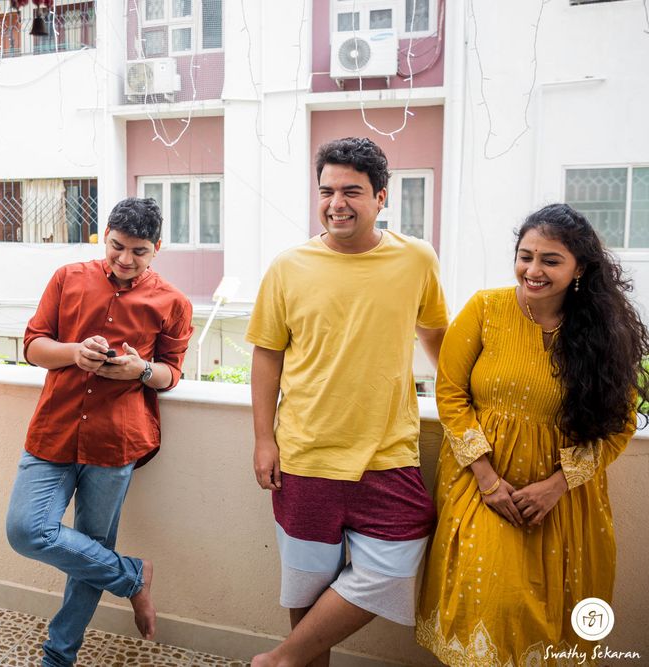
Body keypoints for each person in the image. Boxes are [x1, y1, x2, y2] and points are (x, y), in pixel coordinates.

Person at [416, 204, 648, 665]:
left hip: (562, 501)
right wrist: (486, 478)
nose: (533, 270)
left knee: (548, 627)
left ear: (579, 267)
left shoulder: (605, 333)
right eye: (526, 256)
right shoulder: (486, 308)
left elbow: (619, 425)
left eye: (550, 260)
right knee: (489, 606)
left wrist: (556, 486)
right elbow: (450, 392)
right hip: (481, 485)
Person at [248, 137, 449, 667]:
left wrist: (468, 391)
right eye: (327, 191)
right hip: (305, 452)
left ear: (381, 197)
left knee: (396, 561)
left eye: (352, 192)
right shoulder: (289, 266)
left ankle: (280, 661)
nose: (337, 203)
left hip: (388, 452)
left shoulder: (415, 259)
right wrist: (263, 440)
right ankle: (296, 660)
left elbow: (435, 334)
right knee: (305, 593)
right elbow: (267, 355)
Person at [5, 197, 194, 667]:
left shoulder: (173, 302)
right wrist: (74, 353)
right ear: (103, 234)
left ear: (157, 248)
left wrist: (139, 370)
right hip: (54, 428)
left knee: (91, 550)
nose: (126, 260)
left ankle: (58, 655)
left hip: (116, 440)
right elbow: (33, 346)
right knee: (26, 530)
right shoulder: (68, 278)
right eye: (116, 247)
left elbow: (171, 373)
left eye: (140, 251)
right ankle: (133, 576)